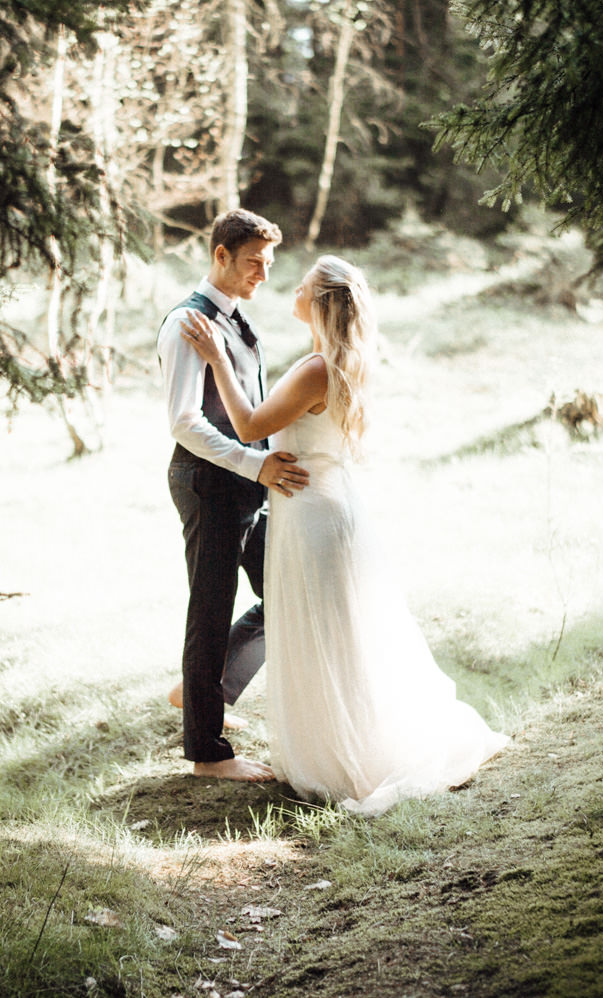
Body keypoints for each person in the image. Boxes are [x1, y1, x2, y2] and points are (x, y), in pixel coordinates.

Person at [180, 255, 509, 814]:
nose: (295, 289)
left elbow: (251, 427)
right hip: (324, 503)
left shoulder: (315, 368)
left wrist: (216, 361)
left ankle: (348, 754)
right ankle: (347, 740)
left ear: (322, 303)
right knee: (337, 631)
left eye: (305, 285)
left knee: (327, 634)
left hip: (311, 511)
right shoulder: (341, 363)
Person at [158, 209, 310, 783]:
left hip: (248, 482)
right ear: (220, 255)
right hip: (208, 485)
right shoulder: (186, 324)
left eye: (269, 264)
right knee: (210, 611)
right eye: (253, 263)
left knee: (289, 589)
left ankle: (204, 687)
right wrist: (256, 464)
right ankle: (207, 754)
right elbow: (185, 422)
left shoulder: (238, 320)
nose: (263, 275)